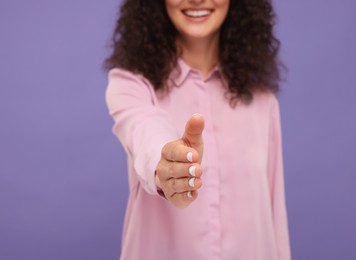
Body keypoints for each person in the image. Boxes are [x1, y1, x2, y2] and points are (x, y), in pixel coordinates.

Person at [105, 0, 291, 259]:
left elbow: (274, 214)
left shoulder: (262, 99)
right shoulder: (130, 85)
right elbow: (145, 129)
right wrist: (168, 165)